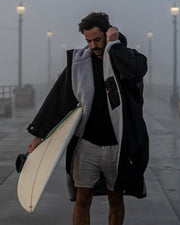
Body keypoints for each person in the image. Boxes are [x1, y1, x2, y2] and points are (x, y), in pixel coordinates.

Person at [27, 12, 149, 225]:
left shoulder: (127, 57)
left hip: (117, 145)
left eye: (98, 39)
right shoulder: (79, 64)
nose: (93, 45)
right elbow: (59, 98)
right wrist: (38, 134)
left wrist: (116, 46)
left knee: (115, 197)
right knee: (82, 199)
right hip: (87, 144)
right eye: (88, 41)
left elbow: (135, 72)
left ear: (108, 33)